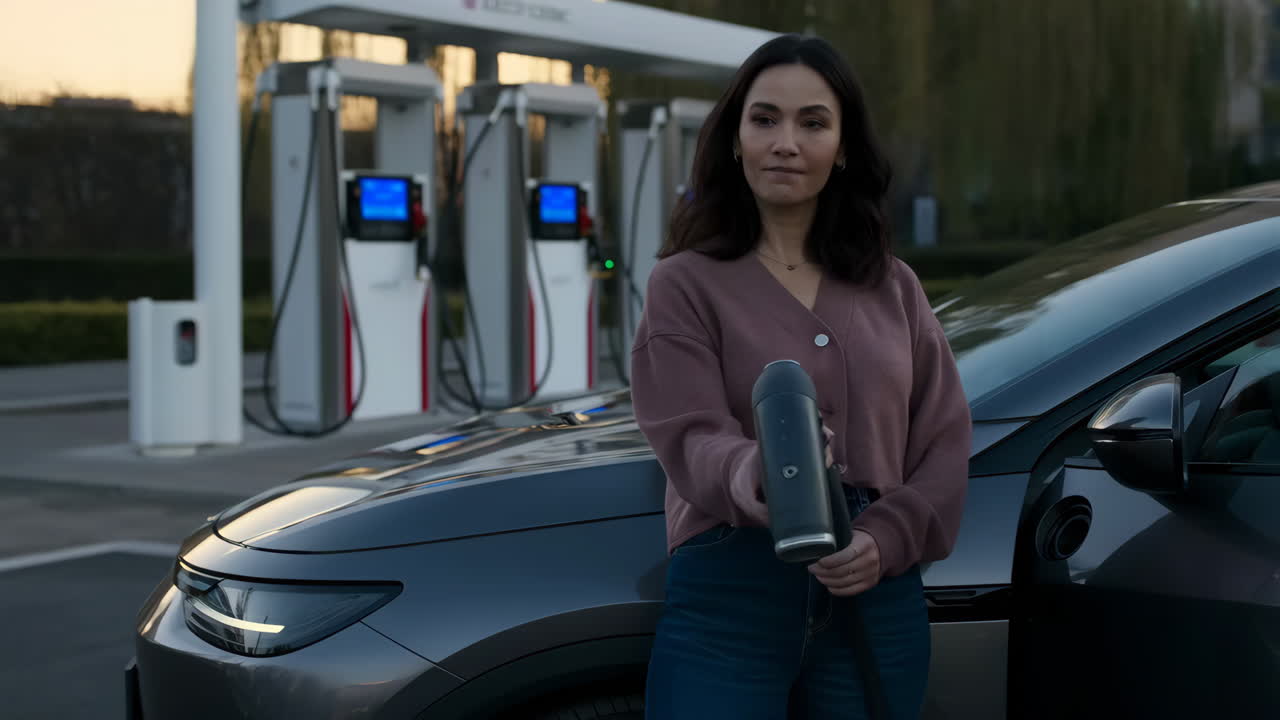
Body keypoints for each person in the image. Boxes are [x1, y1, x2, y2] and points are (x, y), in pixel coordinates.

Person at [629, 33, 972, 719]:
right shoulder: (683, 284)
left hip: (875, 590)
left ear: (843, 148)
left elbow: (943, 437)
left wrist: (888, 537)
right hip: (732, 589)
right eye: (765, 120)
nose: (785, 142)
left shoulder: (893, 287)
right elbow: (688, 433)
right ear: (735, 138)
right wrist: (758, 472)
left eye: (813, 123)